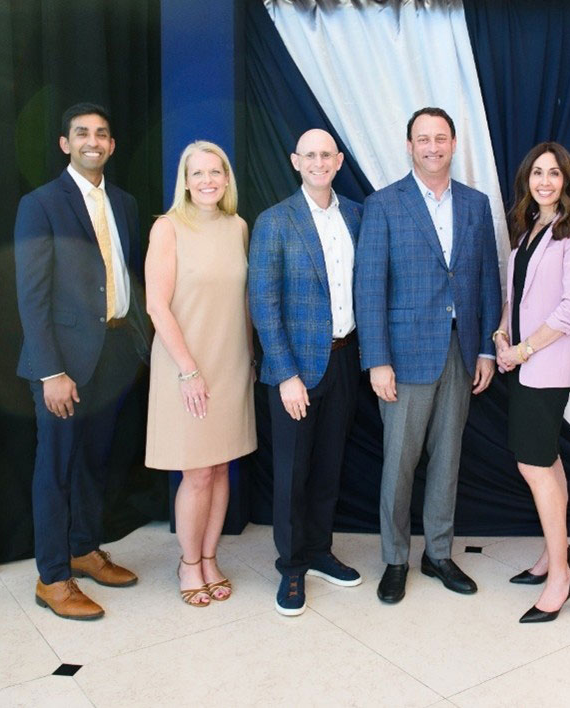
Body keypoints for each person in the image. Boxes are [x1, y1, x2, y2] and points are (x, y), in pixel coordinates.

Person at [355, 107, 502, 605]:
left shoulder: (476, 205)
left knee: (448, 460)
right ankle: (396, 558)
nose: (432, 147)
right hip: (404, 356)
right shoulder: (383, 205)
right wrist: (377, 360)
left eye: (441, 138)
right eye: (423, 139)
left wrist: (485, 348)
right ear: (409, 145)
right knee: (398, 463)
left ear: (454, 144)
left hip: (461, 351)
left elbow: (487, 279)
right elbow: (369, 288)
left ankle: (438, 553)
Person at [15, 103, 151, 620]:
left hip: (113, 354)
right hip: (62, 364)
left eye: (101, 133)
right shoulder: (41, 204)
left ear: (111, 145)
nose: (92, 141)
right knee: (56, 468)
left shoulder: (125, 203)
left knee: (95, 463)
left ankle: (84, 549)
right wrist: (50, 371)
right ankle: (53, 578)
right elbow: (32, 296)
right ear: (65, 144)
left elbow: (127, 275)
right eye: (82, 133)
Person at [249, 129, 363, 617]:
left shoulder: (356, 215)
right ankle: (292, 566)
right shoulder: (274, 221)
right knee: (293, 472)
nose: (319, 162)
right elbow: (263, 303)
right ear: (296, 161)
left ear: (339, 161)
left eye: (326, 155)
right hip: (295, 369)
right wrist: (285, 374)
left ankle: (319, 551)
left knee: (329, 466)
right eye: (310, 155)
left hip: (344, 359)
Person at [145, 141, 256, 606]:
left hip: (232, 363)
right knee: (197, 474)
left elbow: (243, 300)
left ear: (227, 179)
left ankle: (210, 558)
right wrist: (189, 371)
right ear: (186, 182)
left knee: (221, 465)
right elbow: (156, 304)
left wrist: (250, 357)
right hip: (186, 365)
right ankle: (188, 564)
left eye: (216, 172)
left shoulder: (238, 227)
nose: (208, 180)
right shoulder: (168, 228)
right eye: (198, 173)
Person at [494, 141, 570, 623]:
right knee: (547, 461)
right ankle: (556, 554)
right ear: (528, 179)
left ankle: (561, 576)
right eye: (537, 172)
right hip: (521, 361)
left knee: (533, 465)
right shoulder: (528, 226)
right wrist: (501, 332)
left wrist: (523, 349)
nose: (545, 181)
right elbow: (517, 296)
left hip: (546, 365)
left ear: (567, 180)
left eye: (554, 173)